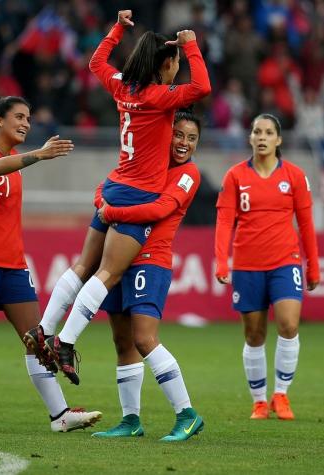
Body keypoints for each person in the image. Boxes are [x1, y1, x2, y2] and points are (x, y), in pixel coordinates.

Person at [24, 9, 211, 385]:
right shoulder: (160, 96)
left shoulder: (123, 84)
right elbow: (202, 88)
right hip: (136, 195)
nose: (177, 69)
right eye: (174, 63)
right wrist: (191, 45)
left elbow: (96, 61)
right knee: (108, 273)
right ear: (166, 64)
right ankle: (66, 341)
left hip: (113, 185)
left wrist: (116, 30)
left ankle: (43, 329)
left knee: (83, 266)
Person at [0, 95, 102, 433]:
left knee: (37, 339)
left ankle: (60, 416)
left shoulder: (16, 160)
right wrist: (39, 155)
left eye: (28, 118)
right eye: (19, 116)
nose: (26, 123)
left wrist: (31, 157)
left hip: (13, 265)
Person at [90, 111, 205, 441]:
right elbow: (106, 185)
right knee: (122, 341)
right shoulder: (146, 163)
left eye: (191, 138)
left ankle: (187, 413)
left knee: (144, 338)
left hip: (150, 260)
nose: (183, 143)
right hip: (119, 258)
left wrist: (111, 212)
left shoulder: (188, 174)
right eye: (179, 135)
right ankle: (130, 421)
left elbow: (160, 209)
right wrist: (103, 201)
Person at [214, 114, 320, 421]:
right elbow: (224, 222)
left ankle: (281, 395)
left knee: (288, 325)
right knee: (254, 334)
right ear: (250, 138)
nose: (262, 136)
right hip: (247, 265)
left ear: (279, 139)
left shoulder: (295, 176)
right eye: (257, 131)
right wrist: (222, 260)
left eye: (268, 132)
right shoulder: (235, 176)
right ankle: (259, 401)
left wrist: (313, 266)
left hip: (285, 262)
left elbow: (306, 223)